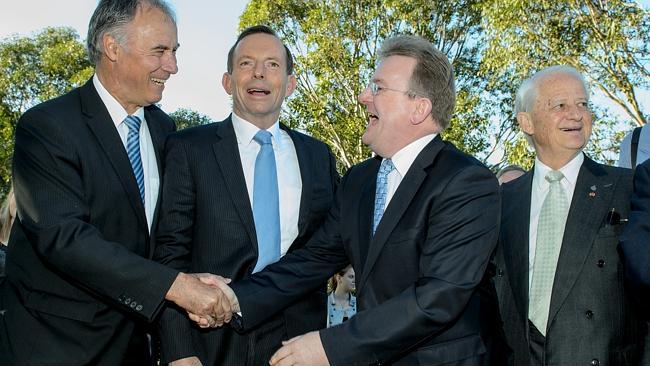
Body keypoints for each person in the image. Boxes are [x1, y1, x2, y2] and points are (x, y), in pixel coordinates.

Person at [224, 34, 501, 366]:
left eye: (378, 88)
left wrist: (330, 346)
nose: (362, 97)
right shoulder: (359, 180)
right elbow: (312, 260)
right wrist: (233, 298)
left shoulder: (467, 182)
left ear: (419, 107)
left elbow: (437, 298)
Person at [0, 1, 234, 365]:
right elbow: (65, 239)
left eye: (174, 52)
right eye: (160, 51)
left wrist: (188, 284)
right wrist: (176, 287)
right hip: (55, 348)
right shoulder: (47, 127)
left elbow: (159, 242)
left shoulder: (164, 130)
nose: (172, 66)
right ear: (112, 47)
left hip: (133, 350)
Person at [153, 25, 338, 366]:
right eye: (246, 63)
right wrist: (180, 351)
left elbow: (330, 249)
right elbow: (169, 253)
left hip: (297, 343)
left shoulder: (318, 156)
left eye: (272, 64)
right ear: (227, 81)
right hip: (209, 340)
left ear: (290, 83)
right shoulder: (189, 149)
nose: (259, 73)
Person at [493, 65, 646, 365]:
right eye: (560, 105)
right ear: (526, 121)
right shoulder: (500, 202)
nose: (576, 114)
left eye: (583, 104)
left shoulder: (629, 188)